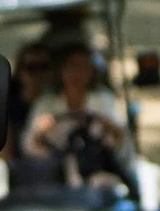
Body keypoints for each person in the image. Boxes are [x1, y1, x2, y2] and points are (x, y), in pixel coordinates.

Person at [20, 41, 129, 186]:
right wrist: (40, 131)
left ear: (91, 71)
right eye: (72, 66)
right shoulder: (46, 104)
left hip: (99, 169)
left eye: (83, 67)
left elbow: (123, 142)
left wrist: (107, 125)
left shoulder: (105, 101)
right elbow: (28, 146)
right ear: (61, 71)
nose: (77, 73)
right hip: (55, 174)